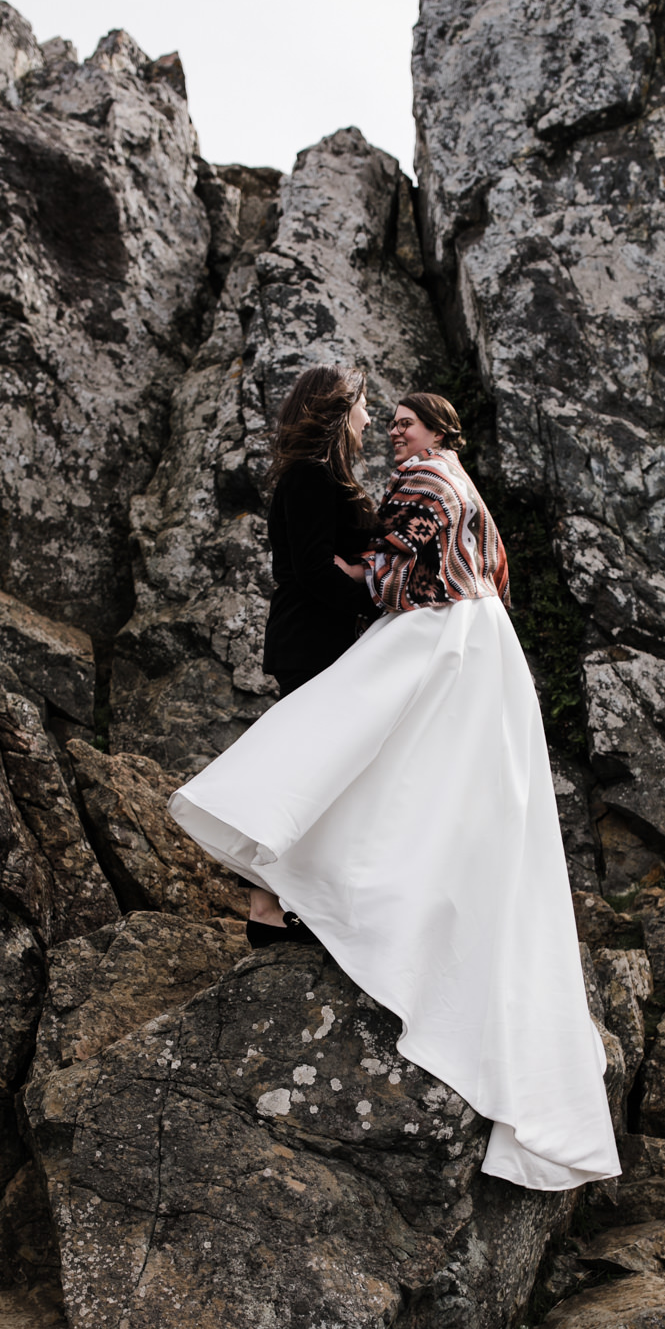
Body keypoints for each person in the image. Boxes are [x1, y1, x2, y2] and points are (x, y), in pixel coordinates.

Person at [169, 388, 620, 1193]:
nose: (388, 429)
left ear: (437, 430)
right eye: (379, 415)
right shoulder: (452, 480)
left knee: (354, 760)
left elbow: (391, 568)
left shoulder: (422, 478)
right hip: (473, 633)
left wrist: (360, 573)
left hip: (436, 630)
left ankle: (304, 894)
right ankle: (293, 896)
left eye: (402, 420)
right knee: (407, 775)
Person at [248, 362, 378, 946]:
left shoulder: (322, 478)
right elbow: (311, 570)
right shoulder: (308, 478)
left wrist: (358, 568)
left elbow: (331, 562)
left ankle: (276, 905)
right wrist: (368, 595)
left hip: (321, 639)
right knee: (303, 776)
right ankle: (266, 907)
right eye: (364, 405)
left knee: (313, 775)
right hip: (310, 640)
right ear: (337, 410)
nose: (370, 418)